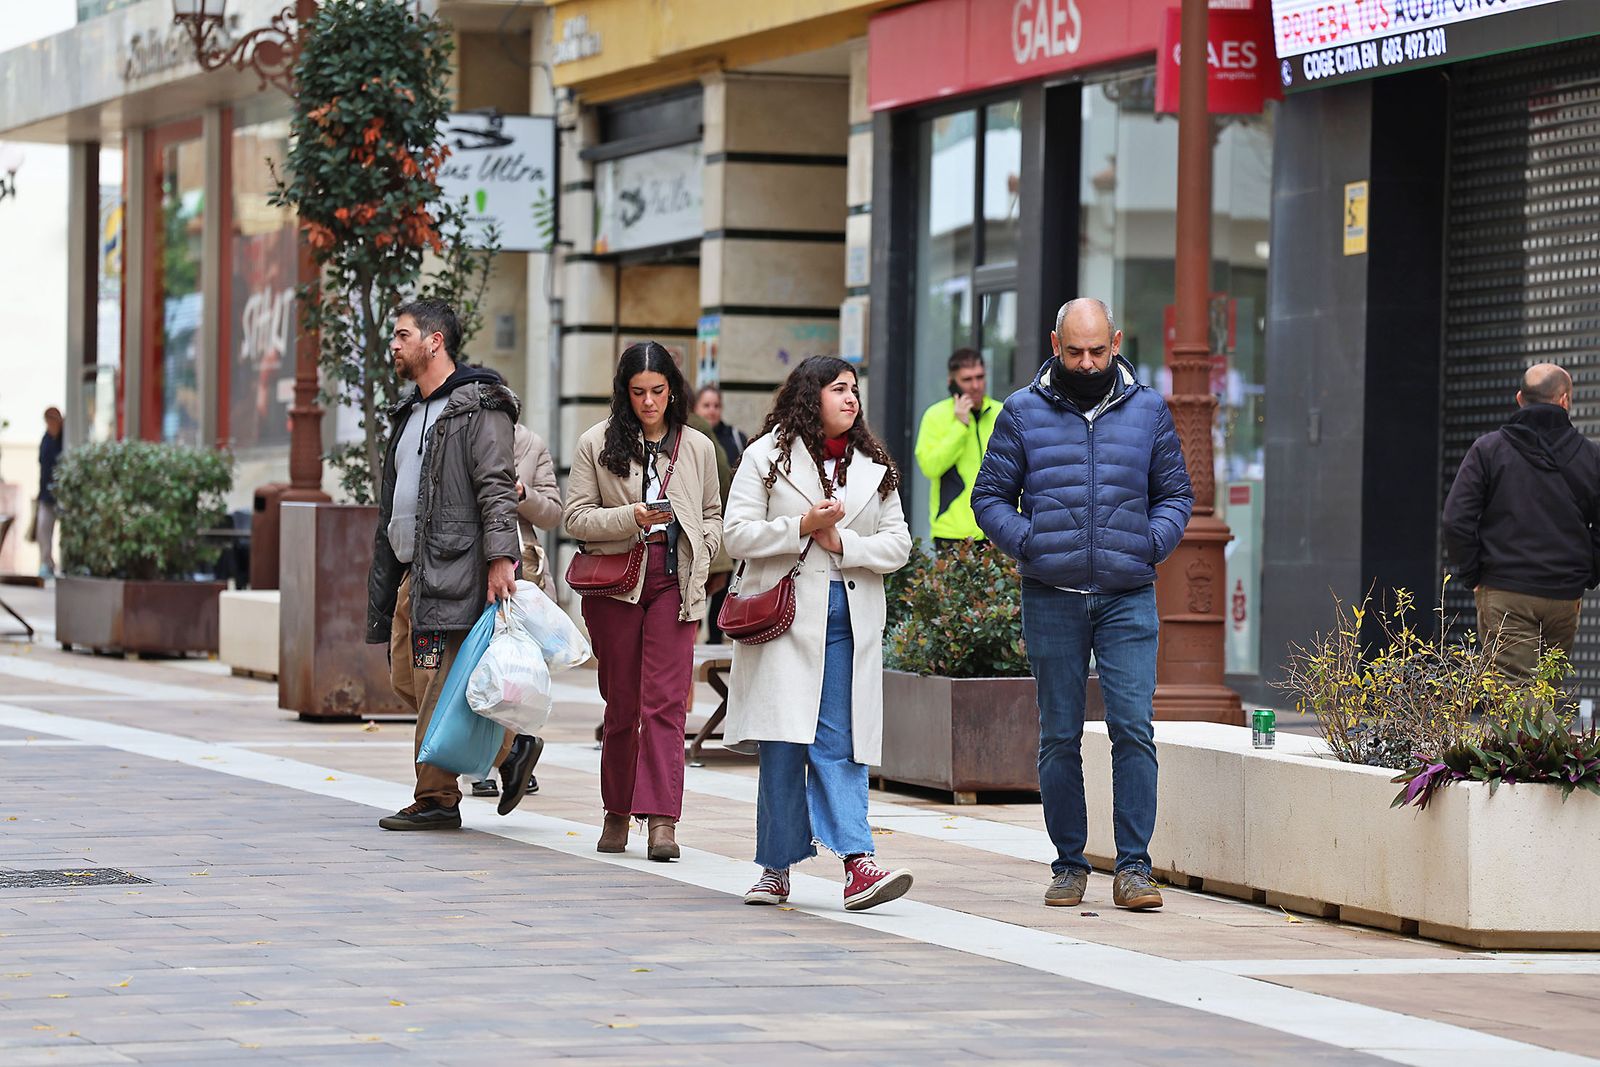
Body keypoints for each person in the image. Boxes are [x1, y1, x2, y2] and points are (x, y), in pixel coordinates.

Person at [972, 298, 1192, 912]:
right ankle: (1069, 865)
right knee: (1059, 734)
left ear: (1116, 341)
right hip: (1052, 595)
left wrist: (1151, 543)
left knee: (1133, 729)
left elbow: (1175, 494)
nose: (1088, 362)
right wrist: (1031, 543)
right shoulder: (1022, 411)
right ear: (1054, 344)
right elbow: (989, 496)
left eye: (1099, 350)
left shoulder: (1148, 409)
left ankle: (1135, 868)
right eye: (1075, 352)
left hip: (1127, 595)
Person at [723, 355, 915, 912]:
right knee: (784, 742)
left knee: (841, 742)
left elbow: (898, 543)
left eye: (855, 389)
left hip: (848, 621)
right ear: (811, 396)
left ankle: (859, 865)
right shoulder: (764, 457)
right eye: (839, 389)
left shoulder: (872, 465)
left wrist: (845, 546)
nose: (851, 399)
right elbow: (735, 536)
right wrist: (800, 528)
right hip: (783, 619)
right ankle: (775, 869)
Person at [365, 298, 543, 831]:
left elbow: (495, 486)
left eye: (402, 335)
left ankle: (437, 798)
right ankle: (511, 745)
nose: (393, 344)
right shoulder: (409, 412)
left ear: (434, 340)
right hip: (410, 574)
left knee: (433, 688)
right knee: (408, 679)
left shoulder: (479, 407)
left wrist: (501, 559)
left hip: (455, 570)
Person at [564, 341, 723, 861]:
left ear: (672, 391)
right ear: (624, 392)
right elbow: (575, 518)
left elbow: (714, 514)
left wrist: (704, 544)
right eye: (638, 392)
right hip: (616, 581)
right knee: (622, 703)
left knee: (666, 704)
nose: (649, 402)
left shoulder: (697, 446)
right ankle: (616, 810)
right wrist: (629, 517)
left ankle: (661, 822)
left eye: (657, 391)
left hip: (674, 581)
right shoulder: (595, 442)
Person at [1443, 362, 1600, 683]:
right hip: (1564, 595)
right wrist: (1588, 573)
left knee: (1515, 695)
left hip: (1505, 589)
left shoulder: (1488, 450)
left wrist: (1474, 574)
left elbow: (1456, 519)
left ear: (1519, 398)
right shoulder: (1591, 456)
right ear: (1565, 400)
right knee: (1547, 691)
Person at [467, 422, 564, 802]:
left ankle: (509, 753)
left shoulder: (531, 444)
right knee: (480, 665)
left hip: (520, 570)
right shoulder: (467, 435)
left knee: (514, 671)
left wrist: (523, 494)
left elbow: (555, 513)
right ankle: (500, 758)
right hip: (471, 563)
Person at [914, 348, 1000, 549]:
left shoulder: (1002, 412)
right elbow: (930, 467)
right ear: (952, 382)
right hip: (952, 533)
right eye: (967, 380)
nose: (976, 386)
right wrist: (960, 426)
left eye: (980, 377)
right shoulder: (935, 416)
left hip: (997, 529)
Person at [34, 407, 63, 578]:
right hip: (46, 495)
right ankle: (47, 563)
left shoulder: (64, 438)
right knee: (43, 529)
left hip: (62, 495)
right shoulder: (45, 439)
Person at [694, 384, 749, 468]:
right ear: (695, 408)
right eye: (706, 405)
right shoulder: (687, 437)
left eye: (716, 406)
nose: (712, 411)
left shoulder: (737, 438)